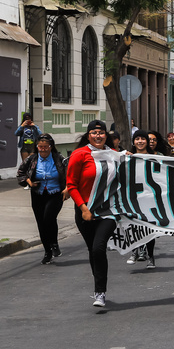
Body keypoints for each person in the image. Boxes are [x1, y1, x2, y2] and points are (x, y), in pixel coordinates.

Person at [66, 120, 116, 308]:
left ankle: (100, 292)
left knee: (98, 248)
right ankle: (99, 287)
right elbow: (72, 185)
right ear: (88, 136)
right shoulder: (79, 155)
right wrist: (84, 209)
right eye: (94, 132)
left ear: (106, 135)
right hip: (85, 211)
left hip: (108, 211)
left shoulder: (113, 155)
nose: (98, 135)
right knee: (92, 250)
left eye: (101, 132)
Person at [16, 134, 69, 264]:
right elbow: (20, 173)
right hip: (38, 194)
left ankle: (54, 243)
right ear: (37, 147)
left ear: (51, 147)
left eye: (46, 147)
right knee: (41, 223)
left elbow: (70, 173)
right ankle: (48, 251)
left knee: (48, 218)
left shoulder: (59, 159)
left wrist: (67, 188)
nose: (43, 149)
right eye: (40, 147)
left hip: (55, 193)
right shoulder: (32, 159)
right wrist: (29, 182)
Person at [125, 131, 158, 268]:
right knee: (133, 225)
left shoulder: (155, 157)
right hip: (133, 197)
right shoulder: (127, 157)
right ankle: (134, 251)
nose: (140, 141)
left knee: (149, 228)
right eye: (137, 139)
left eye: (142, 139)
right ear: (133, 142)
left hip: (150, 198)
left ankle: (150, 256)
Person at [15, 113, 41, 186]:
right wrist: (22, 126)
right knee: (26, 164)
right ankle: (27, 182)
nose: (28, 120)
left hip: (32, 148)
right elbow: (16, 133)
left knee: (32, 164)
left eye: (29, 119)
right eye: (26, 119)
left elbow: (40, 134)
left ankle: (32, 180)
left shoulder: (34, 127)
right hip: (24, 148)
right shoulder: (22, 127)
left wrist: (35, 126)